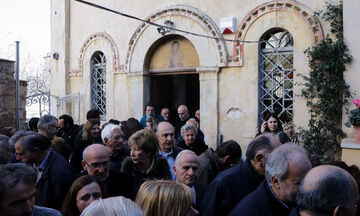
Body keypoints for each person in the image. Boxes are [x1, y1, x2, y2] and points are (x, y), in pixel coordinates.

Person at [200, 134, 281, 216]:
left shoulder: (274, 181)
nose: (283, 162)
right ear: (260, 159)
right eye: (279, 157)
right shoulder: (223, 184)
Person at [229, 143, 312, 216]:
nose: (309, 187)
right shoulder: (248, 212)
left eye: (309, 178)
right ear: (276, 181)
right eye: (299, 183)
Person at [14, 133, 76, 210]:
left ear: (36, 151)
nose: (18, 158)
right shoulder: (34, 163)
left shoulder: (61, 172)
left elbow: (62, 206)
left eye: (21, 154)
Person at [121, 129, 172, 195]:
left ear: (148, 152)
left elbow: (168, 191)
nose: (132, 153)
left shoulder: (162, 166)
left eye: (136, 149)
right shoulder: (127, 167)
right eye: (131, 149)